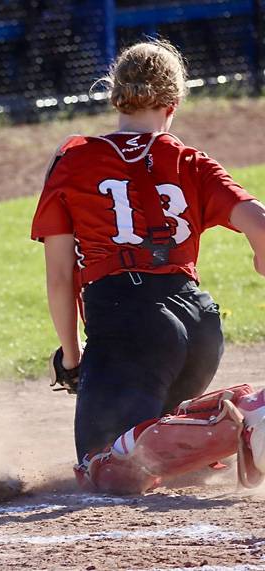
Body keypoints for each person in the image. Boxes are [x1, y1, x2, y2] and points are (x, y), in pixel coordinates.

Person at [31, 40, 265, 494]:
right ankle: (236, 414)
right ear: (172, 104)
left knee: (100, 467)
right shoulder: (189, 159)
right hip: (199, 325)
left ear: (116, 94)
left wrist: (73, 357)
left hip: (128, 324)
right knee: (147, 456)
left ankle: (241, 419)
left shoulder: (74, 158)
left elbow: (60, 277)